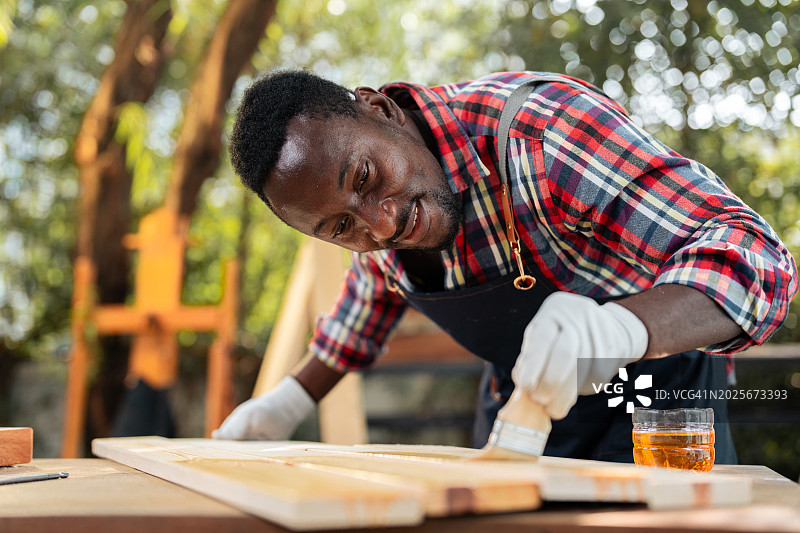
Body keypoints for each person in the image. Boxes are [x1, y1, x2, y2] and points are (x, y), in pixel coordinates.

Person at [213, 70, 797, 462]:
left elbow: (756, 258)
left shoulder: (542, 133)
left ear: (380, 109)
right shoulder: (377, 231)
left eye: (367, 178)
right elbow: (363, 311)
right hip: (522, 411)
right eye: (343, 227)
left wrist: (623, 329)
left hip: (661, 399)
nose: (384, 225)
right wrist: (285, 403)